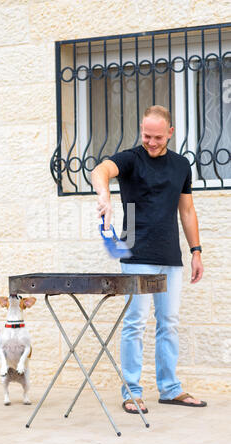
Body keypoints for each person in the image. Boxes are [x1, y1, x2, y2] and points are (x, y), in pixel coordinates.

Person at [91, 105, 207, 414]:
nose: (151, 142)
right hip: (135, 252)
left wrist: (196, 251)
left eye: (157, 137)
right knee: (135, 324)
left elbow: (187, 210)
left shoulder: (182, 165)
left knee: (168, 323)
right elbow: (99, 171)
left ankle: (169, 388)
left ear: (170, 133)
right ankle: (132, 391)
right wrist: (104, 194)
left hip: (170, 255)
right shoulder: (131, 159)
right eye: (146, 135)